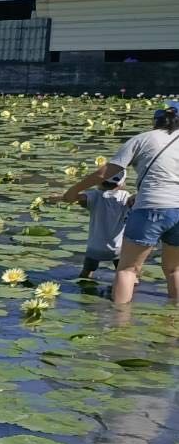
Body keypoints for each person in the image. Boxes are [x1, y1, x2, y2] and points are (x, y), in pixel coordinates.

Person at [63, 102, 179, 304]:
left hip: (150, 208)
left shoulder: (142, 139)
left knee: (127, 270)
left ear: (156, 119)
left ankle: (119, 324)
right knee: (174, 269)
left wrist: (73, 191)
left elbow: (105, 172)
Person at [62, 167, 132, 279]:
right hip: (118, 249)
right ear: (122, 183)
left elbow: (72, 197)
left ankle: (84, 290)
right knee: (127, 274)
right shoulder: (125, 196)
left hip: (95, 248)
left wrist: (61, 197)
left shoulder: (93, 195)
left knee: (85, 274)